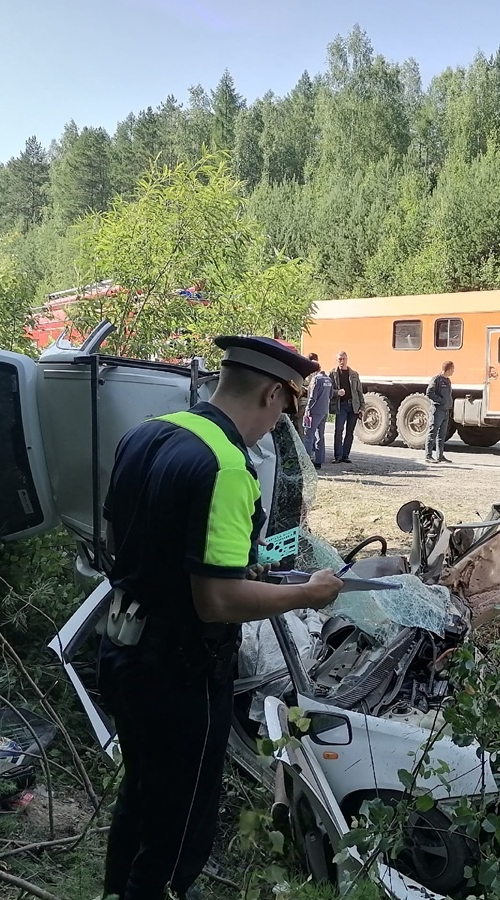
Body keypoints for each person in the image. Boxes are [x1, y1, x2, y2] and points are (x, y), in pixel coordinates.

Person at [97, 335, 345, 900]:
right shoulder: (228, 466)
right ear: (268, 394)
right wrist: (308, 594)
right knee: (180, 825)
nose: (277, 423)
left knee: (140, 794)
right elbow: (218, 602)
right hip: (180, 671)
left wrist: (224, 572)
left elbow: (119, 541)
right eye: (284, 408)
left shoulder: (147, 434)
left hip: (122, 649)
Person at [331, 350, 364, 464]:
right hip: (341, 406)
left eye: (344, 359)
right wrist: (337, 392)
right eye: (340, 359)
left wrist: (362, 407)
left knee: (350, 432)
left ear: (347, 359)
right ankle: (338, 456)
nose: (342, 361)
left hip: (353, 406)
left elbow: (359, 391)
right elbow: (329, 390)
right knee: (339, 430)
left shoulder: (354, 374)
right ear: (337, 360)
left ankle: (346, 455)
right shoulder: (333, 374)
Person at [303, 354, 332, 469]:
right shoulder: (328, 379)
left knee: (308, 435)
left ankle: (306, 461)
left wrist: (307, 410)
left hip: (314, 411)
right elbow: (330, 395)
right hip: (325, 410)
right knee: (320, 435)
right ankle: (319, 460)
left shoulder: (316, 380)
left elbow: (312, 397)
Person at [424, 360, 454, 463]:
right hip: (437, 410)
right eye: (452, 369)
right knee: (433, 432)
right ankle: (428, 456)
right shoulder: (436, 380)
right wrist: (441, 401)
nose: (453, 371)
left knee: (442, 434)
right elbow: (429, 393)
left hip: (445, 410)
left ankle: (440, 455)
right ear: (448, 369)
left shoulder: (448, 381)